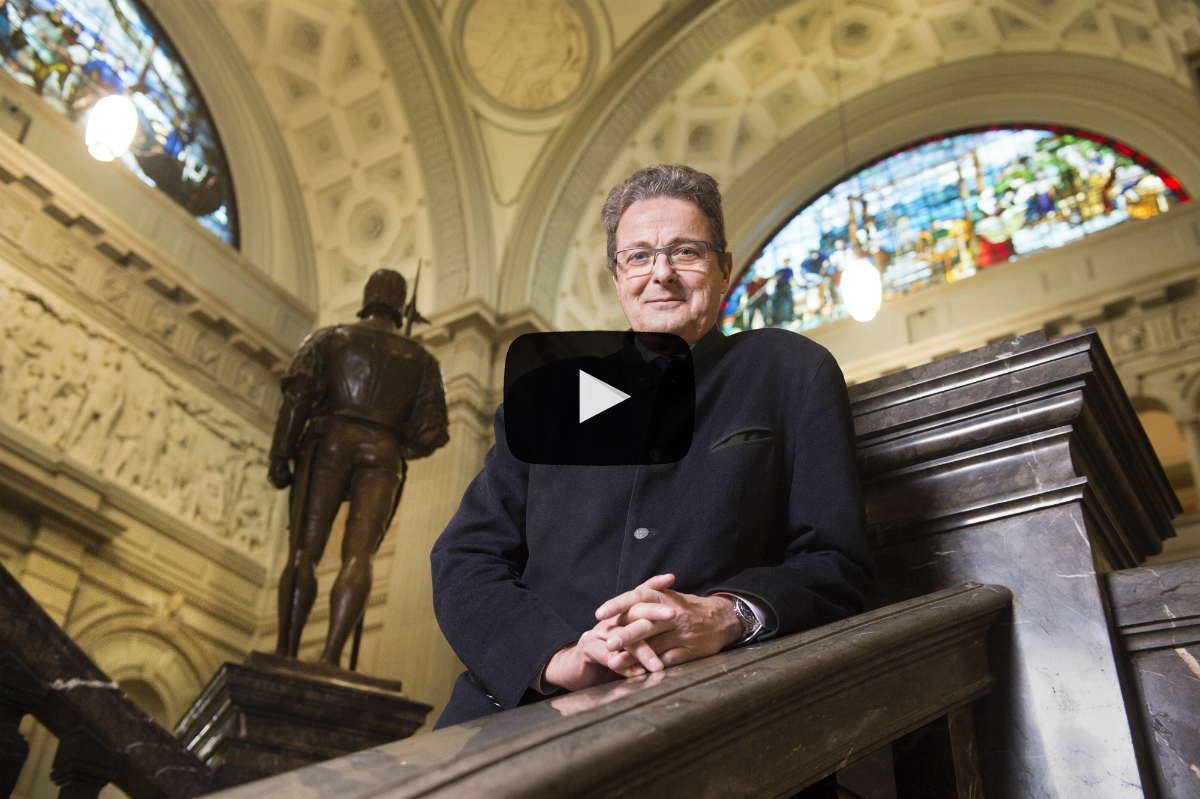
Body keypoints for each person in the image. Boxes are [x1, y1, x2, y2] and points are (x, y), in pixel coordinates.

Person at [430, 164, 872, 727]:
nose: (659, 274)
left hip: (715, 712)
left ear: (724, 269)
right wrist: (558, 659)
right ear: (618, 280)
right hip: (519, 713)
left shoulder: (789, 370)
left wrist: (726, 615)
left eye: (685, 251)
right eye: (638, 256)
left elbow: (835, 560)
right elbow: (465, 557)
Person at [268, 269, 449, 665]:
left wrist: (280, 454)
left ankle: (285, 652)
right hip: (383, 454)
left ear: (368, 296)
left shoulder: (328, 339)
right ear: (401, 306)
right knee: (360, 556)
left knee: (304, 550)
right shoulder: (422, 360)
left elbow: (298, 396)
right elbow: (432, 432)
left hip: (327, 443)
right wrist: (396, 444)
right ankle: (332, 657)